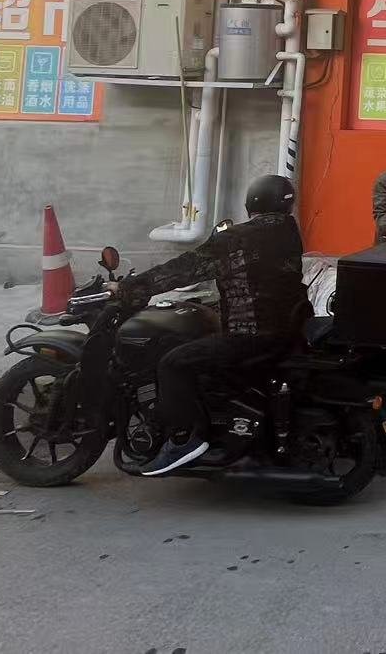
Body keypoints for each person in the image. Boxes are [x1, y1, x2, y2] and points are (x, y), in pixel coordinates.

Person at [111, 173, 309, 476]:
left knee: (173, 364)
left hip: (251, 335)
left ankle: (184, 440)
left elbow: (184, 269)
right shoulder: (288, 230)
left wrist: (130, 287)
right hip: (286, 330)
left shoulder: (237, 239)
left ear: (252, 203)